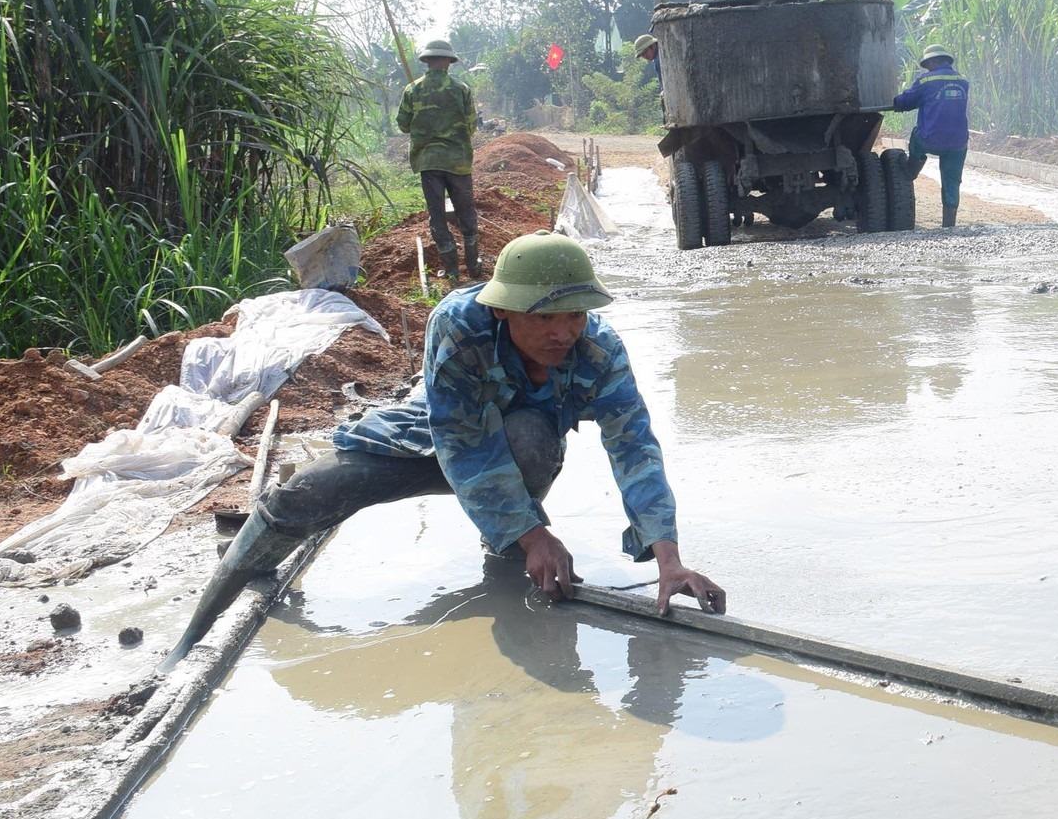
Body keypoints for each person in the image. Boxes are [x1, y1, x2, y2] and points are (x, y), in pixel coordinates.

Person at [165, 232, 725, 662]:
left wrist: (667, 559)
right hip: (431, 436)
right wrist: (536, 532)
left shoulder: (599, 350)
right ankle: (200, 624)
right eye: (545, 318)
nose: (564, 332)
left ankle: (508, 542)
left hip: (518, 448)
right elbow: (458, 439)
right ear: (504, 310)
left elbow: (635, 448)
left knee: (529, 440)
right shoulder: (460, 324)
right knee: (304, 496)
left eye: (575, 315)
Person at [399, 37, 482, 280]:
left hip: (429, 162)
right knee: (466, 211)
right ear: (448, 62)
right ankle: (474, 264)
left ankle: (452, 270)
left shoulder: (412, 90)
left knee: (437, 215)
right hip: (458, 162)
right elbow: (471, 126)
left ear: (427, 61)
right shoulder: (462, 89)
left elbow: (404, 125)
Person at [890, 44, 971, 228]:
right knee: (952, 181)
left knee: (916, 138)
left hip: (930, 139)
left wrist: (896, 103)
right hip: (958, 143)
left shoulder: (926, 81)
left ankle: (912, 169)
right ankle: (949, 225)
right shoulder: (962, 81)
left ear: (931, 61)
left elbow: (907, 101)